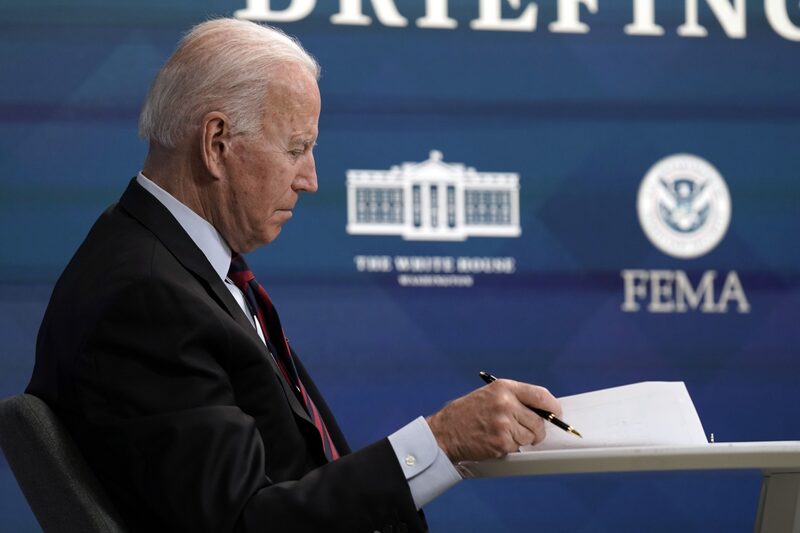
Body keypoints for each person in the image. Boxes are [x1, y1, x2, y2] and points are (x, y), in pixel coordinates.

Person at [26, 18, 562, 533]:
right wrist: (441, 441)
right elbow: (242, 524)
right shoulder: (145, 298)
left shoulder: (172, 263)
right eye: (296, 149)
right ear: (217, 144)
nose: (310, 179)